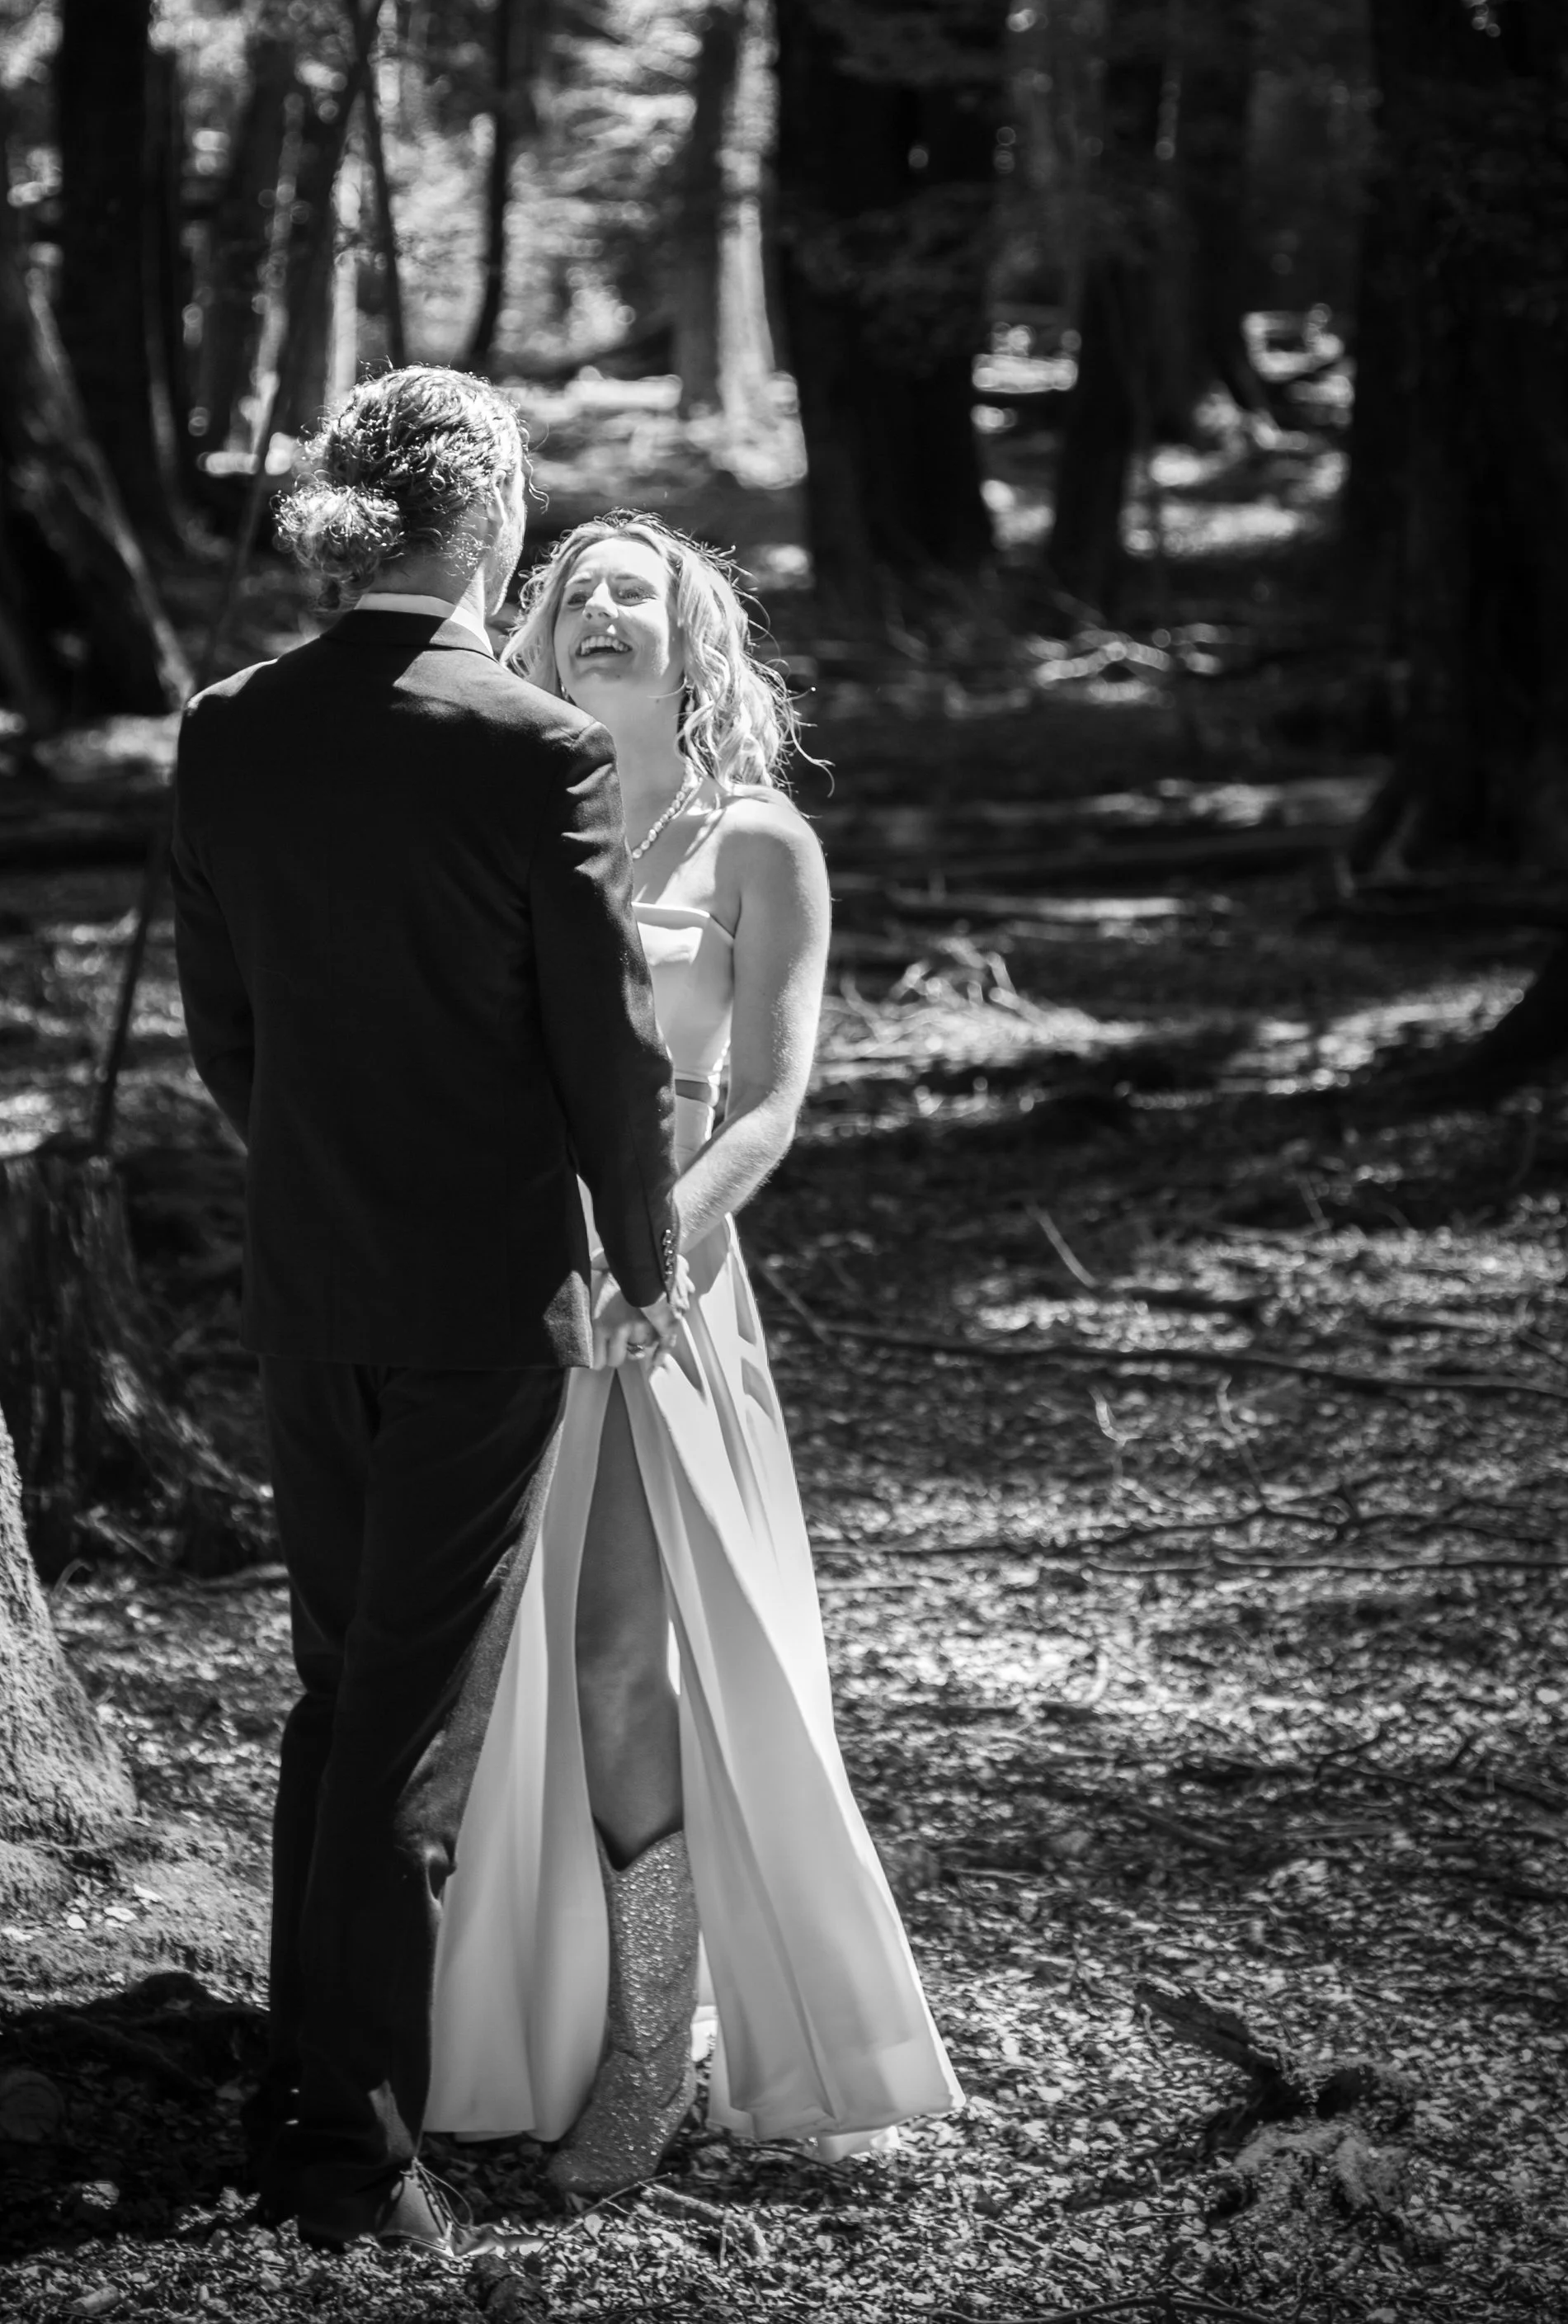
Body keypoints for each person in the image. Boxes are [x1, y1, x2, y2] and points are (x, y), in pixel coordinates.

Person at [169, 378, 684, 2257]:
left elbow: (228, 1037)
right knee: (405, 1726)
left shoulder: (227, 730)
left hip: (305, 1279)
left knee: (340, 1689)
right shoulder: (531, 746)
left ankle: (304, 2068)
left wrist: (328, 1171)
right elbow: (604, 1049)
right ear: (495, 521)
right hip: (484, 1294)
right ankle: (339, 2147)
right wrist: (643, 1261)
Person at [426, 515, 964, 2192]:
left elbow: (773, 1102)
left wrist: (646, 1262)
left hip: (659, 1293)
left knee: (611, 1661)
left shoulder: (757, 844)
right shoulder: (512, 823)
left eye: (631, 597)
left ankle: (654, 2044)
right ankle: (496, 2006)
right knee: (472, 1672)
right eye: (570, 594)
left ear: (693, 645)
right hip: (499, 1284)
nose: (597, 615)